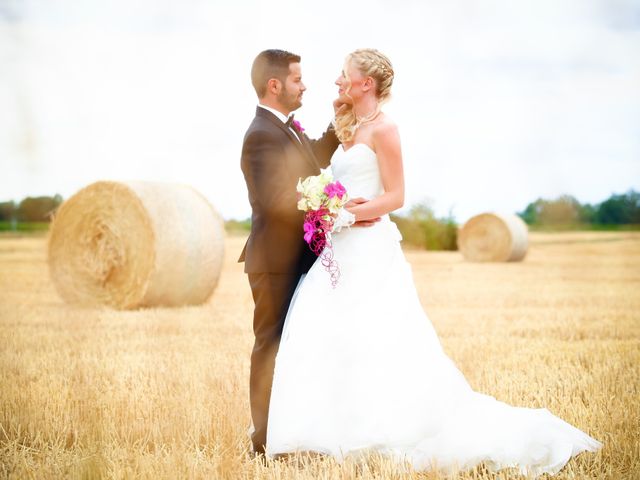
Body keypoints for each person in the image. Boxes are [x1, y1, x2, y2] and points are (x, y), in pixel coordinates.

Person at [264, 48, 603, 476]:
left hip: (369, 248)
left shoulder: (386, 130)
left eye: (344, 75)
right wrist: (327, 206)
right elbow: (337, 179)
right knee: (326, 332)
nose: (337, 81)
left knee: (377, 336)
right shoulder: (348, 126)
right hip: (339, 249)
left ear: (366, 83)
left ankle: (380, 429)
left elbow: (396, 196)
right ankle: (326, 433)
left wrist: (349, 212)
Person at [238, 49, 378, 455]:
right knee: (271, 347)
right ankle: (262, 443)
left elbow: (314, 159)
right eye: (298, 80)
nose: (306, 86)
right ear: (275, 85)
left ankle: (296, 432)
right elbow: (276, 200)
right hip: (274, 263)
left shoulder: (284, 127)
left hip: (298, 257)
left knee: (298, 348)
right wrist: (338, 210)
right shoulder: (260, 134)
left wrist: (337, 120)